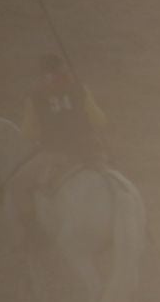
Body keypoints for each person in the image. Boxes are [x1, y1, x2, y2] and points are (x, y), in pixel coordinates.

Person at [10, 55, 110, 253]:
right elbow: (100, 120)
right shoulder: (79, 88)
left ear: (43, 74)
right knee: (114, 179)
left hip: (56, 154)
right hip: (89, 151)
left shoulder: (36, 96)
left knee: (17, 185)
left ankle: (34, 236)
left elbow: (28, 133)